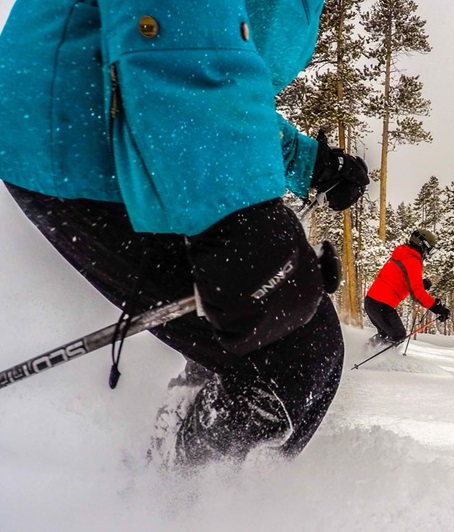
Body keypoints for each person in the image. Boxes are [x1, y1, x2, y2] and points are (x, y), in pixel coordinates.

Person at [0, 0, 368, 466]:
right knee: (290, 356)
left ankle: (170, 463)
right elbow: (179, 34)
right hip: (94, 137)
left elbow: (215, 70)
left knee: (266, 341)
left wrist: (307, 161)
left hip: (132, 128)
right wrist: (236, 213)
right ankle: (170, 507)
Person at [364, 229, 450, 347]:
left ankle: (364, 352)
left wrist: (420, 283)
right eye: (429, 249)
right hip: (381, 305)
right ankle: (378, 361)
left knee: (385, 334)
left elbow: (399, 278)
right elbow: (417, 294)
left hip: (372, 302)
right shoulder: (413, 260)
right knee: (398, 335)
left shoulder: (404, 254)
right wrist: (438, 308)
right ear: (422, 245)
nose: (428, 254)